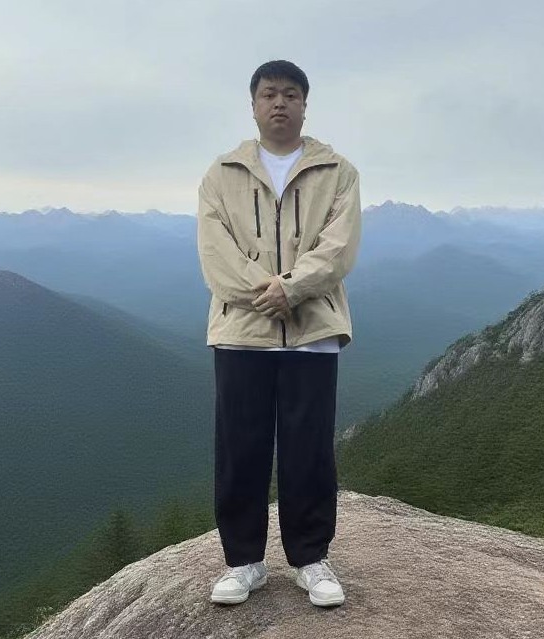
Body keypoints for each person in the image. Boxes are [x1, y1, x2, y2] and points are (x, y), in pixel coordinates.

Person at [197, 59, 361, 608]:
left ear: (305, 105)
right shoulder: (222, 173)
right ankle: (244, 562)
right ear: (253, 105)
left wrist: (292, 288)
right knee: (240, 448)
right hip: (241, 331)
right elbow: (215, 252)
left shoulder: (337, 171)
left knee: (308, 449)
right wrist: (268, 292)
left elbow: (339, 247)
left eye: (291, 93)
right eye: (269, 93)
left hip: (313, 331)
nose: (280, 102)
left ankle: (311, 559)